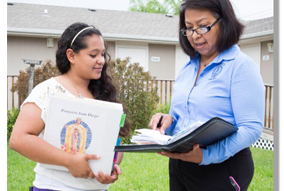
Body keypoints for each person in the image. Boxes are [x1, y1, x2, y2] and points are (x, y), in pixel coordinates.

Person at [149, 0, 265, 190]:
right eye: (189, 28)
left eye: (203, 26)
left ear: (224, 22)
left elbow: (251, 128)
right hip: (181, 166)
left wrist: (207, 155)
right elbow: (183, 119)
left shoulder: (240, 66)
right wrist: (167, 121)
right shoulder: (187, 68)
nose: (194, 36)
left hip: (221, 168)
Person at [9, 22, 130, 191]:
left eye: (102, 54)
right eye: (93, 55)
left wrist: (112, 166)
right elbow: (19, 139)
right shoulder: (48, 90)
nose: (101, 61)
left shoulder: (104, 95)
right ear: (71, 56)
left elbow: (114, 146)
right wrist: (69, 161)